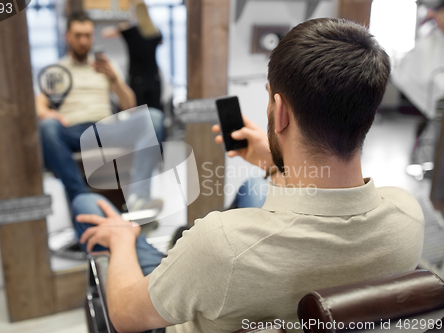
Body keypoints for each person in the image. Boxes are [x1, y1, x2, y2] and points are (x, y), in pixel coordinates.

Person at [74, 18, 424, 333]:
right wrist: (274, 164)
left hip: (177, 309)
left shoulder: (221, 245)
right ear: (370, 112)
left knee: (89, 203)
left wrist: (122, 240)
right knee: (253, 187)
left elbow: (122, 314)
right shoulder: (407, 215)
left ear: (280, 111)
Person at [36, 12, 164, 211]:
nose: (83, 41)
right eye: (78, 35)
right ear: (67, 36)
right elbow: (40, 105)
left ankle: (139, 197)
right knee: (47, 127)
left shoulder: (105, 66)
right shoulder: (57, 71)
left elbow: (130, 106)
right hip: (74, 131)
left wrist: (114, 79)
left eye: (87, 35)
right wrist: (48, 114)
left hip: (105, 129)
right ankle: (82, 198)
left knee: (153, 117)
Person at [102, 0, 164, 111]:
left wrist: (126, 24)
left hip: (137, 80)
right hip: (154, 79)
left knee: (138, 117)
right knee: (155, 116)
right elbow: (161, 42)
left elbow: (105, 34)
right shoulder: (155, 31)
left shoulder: (131, 31)